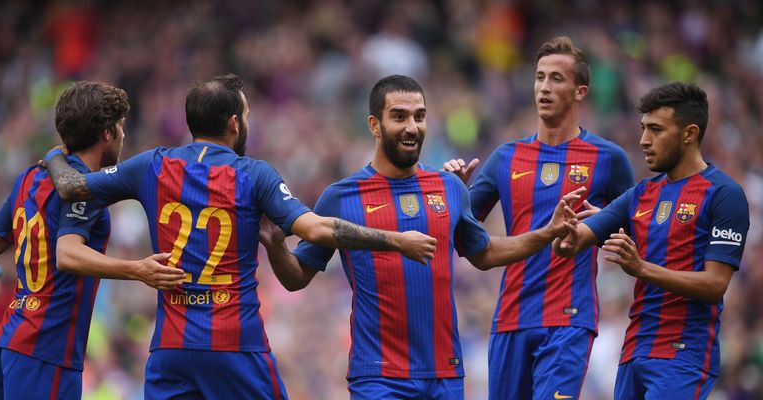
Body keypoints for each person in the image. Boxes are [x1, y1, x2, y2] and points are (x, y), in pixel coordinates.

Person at [42, 74, 438, 400]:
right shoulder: (253, 173)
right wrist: (396, 240)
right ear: (234, 123)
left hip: (170, 349)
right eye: (246, 115)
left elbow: (71, 187)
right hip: (234, 343)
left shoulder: (152, 164)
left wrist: (55, 155)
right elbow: (316, 229)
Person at [259, 75, 583, 400]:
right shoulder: (341, 197)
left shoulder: (450, 187)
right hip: (379, 376)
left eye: (420, 116)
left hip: (446, 375)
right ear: (375, 124)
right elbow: (297, 277)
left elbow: (484, 253)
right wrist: (275, 247)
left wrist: (547, 233)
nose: (412, 126)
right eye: (399, 116)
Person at [443, 36, 635, 399]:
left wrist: (605, 224)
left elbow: (640, 235)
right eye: (539, 77)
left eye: (556, 79)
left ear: (580, 91)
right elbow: (459, 235)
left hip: (568, 319)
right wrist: (452, 192)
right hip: (510, 319)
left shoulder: (608, 158)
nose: (544, 87)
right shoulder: (506, 157)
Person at [553, 82, 749, 399]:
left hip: (684, 353)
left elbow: (715, 284)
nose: (644, 140)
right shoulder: (641, 194)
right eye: (644, 128)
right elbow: (569, 245)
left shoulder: (724, 195)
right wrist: (561, 228)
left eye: (656, 130)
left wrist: (642, 268)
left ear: (689, 134)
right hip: (634, 350)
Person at [0, 81, 184, 399]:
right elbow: (67, 255)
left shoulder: (28, 178)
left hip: (9, 340)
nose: (124, 136)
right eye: (121, 127)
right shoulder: (84, 188)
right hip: (47, 348)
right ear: (107, 133)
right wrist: (137, 269)